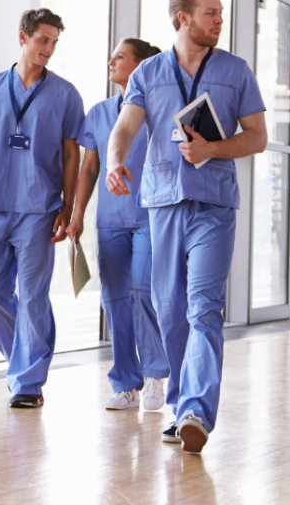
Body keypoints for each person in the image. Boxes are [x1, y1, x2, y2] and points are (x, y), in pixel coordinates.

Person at [105, 0, 268, 453]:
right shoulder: (148, 73)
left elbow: (257, 136)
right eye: (211, 12)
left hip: (214, 204)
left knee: (203, 306)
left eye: (220, 12)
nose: (220, 20)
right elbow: (125, 128)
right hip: (163, 203)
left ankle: (196, 409)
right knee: (170, 309)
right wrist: (115, 162)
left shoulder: (235, 71)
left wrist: (212, 149)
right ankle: (181, 407)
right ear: (184, 18)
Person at [0, 8, 84, 409]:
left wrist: (68, 205)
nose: (49, 48)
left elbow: (71, 155)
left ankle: (28, 381)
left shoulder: (65, 94)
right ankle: (21, 362)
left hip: (39, 208)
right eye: (43, 40)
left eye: (54, 42)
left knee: (32, 296)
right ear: (23, 37)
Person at [67, 38, 170, 412]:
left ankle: (155, 374)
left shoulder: (159, 110)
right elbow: (89, 168)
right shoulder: (98, 112)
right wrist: (77, 214)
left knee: (142, 290)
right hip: (109, 221)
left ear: (142, 66)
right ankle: (126, 383)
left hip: (150, 216)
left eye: (120, 56)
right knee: (114, 300)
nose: (111, 61)